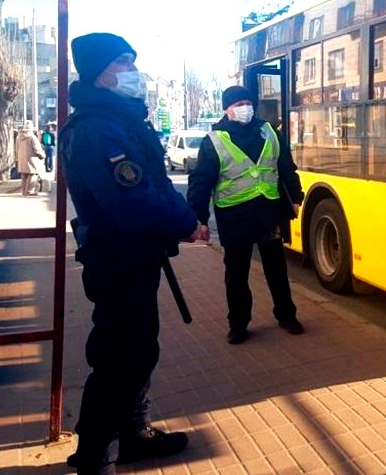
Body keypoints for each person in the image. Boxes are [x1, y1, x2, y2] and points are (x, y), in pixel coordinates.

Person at [60, 33, 198, 475]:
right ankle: (93, 457)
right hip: (117, 260)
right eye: (123, 62)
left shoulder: (118, 119)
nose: (132, 71)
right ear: (100, 73)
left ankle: (134, 435)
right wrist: (187, 224)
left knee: (139, 350)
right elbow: (134, 198)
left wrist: (181, 218)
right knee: (117, 360)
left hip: (135, 258)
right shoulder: (98, 128)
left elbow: (154, 185)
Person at [187, 85, 305, 345]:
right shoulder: (215, 140)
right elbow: (200, 181)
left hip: (268, 211)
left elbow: (285, 165)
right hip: (235, 215)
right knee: (236, 274)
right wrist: (198, 218)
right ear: (226, 109)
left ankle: (286, 315)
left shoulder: (268, 132)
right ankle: (238, 324)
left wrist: (296, 197)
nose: (245, 108)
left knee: (277, 268)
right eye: (238, 103)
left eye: (247, 102)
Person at [16, 120, 44, 196]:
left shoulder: (19, 136)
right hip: (31, 157)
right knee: (33, 173)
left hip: (21, 157)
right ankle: (29, 191)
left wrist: (17, 157)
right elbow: (37, 149)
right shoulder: (32, 137)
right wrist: (42, 155)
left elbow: (16, 147)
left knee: (24, 174)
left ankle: (24, 191)